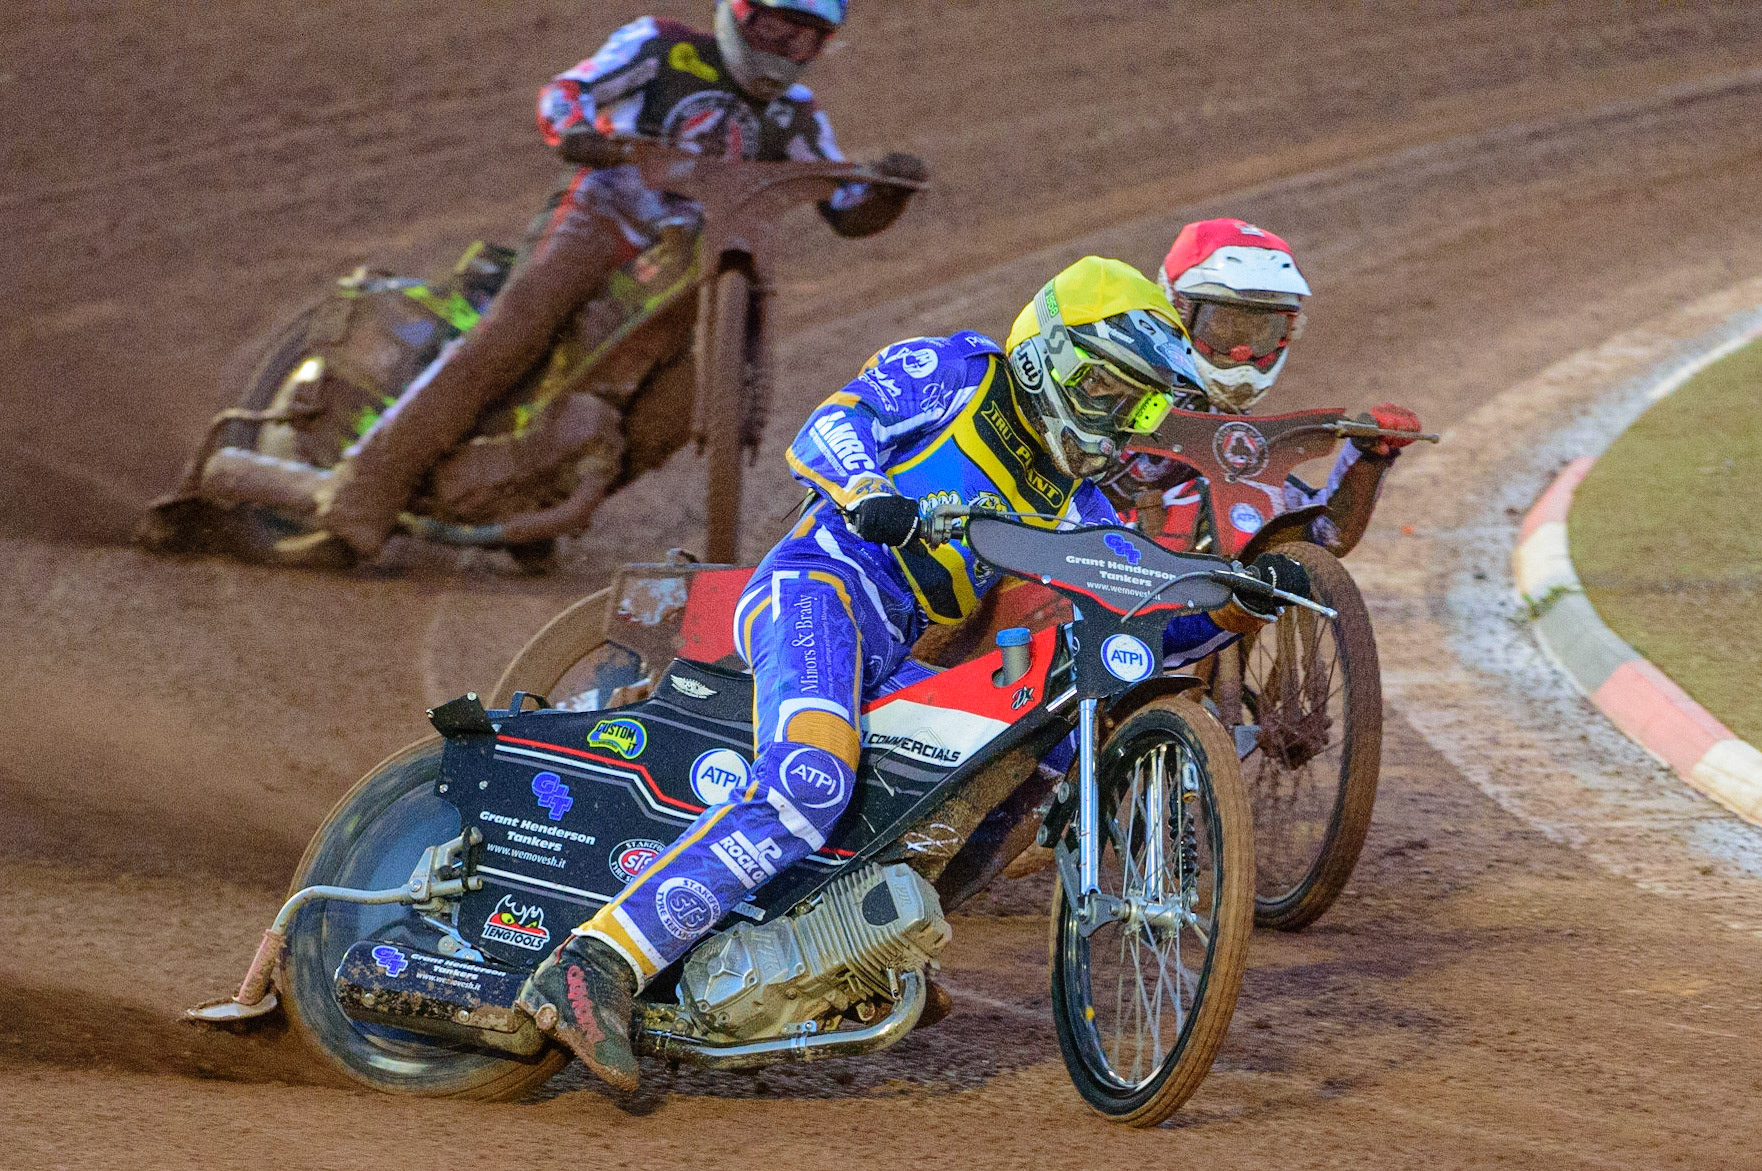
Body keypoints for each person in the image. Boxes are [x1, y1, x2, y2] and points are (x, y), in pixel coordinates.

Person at [514, 255, 1316, 1090]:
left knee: (996, 766)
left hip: (890, 649)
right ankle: (593, 963)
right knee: (811, 778)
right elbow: (832, 423)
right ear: (1047, 357)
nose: (1117, 424)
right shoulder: (961, 372)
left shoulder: (1079, 509)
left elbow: (1139, 620)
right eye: (1106, 392)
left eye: (1139, 406)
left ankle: (849, 947)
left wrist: (1235, 605)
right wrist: (867, 489)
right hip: (816, 587)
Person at [308, 1, 925, 560]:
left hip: (697, 260)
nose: (784, 46)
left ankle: (535, 498)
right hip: (605, 215)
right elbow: (567, 91)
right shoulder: (662, 46)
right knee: (516, 329)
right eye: (774, 24)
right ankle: (363, 491)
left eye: (805, 36)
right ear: (738, 14)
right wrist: (580, 131)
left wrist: (889, 191)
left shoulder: (796, 116)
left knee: (685, 401)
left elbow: (846, 207)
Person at [1097, 217, 1422, 555]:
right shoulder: (1114, 386)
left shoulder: (1228, 428)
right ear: (1179, 310)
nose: (1243, 350)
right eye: (1224, 327)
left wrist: (1368, 456)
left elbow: (1323, 536)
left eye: (1263, 331)